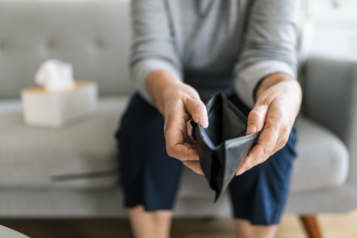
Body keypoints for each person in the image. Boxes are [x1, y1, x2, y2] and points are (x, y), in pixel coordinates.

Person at [115, 0, 302, 237]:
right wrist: (170, 90)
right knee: (142, 133)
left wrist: (286, 89)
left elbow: (268, 53)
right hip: (169, 87)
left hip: (245, 88)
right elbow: (152, 52)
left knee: (266, 137)